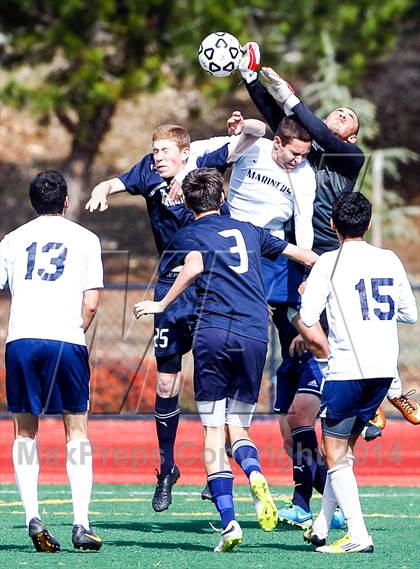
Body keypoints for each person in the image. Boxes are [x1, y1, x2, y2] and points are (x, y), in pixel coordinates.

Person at [134, 168, 318, 552]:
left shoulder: (187, 235)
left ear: (187, 203)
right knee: (240, 427)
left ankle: (230, 522)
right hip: (254, 335)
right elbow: (304, 255)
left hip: (214, 333)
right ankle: (253, 471)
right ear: (222, 199)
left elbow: (195, 267)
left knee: (213, 433)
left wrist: (161, 303)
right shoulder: (249, 229)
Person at [85, 121, 264, 512]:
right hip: (169, 284)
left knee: (210, 378)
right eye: (155, 151)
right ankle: (167, 469)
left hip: (210, 286)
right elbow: (115, 183)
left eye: (166, 151)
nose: (158, 157)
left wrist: (243, 121)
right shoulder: (149, 172)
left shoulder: (204, 165)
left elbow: (256, 132)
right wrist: (101, 189)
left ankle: (216, 467)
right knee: (166, 383)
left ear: (185, 152)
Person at [239, 43, 420, 427]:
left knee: (351, 322)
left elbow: (312, 123)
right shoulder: (304, 150)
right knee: (297, 323)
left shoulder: (350, 158)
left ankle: (389, 393)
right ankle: (319, 397)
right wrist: (248, 75)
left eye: (348, 116)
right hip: (298, 251)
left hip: (336, 251)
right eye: (337, 110)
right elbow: (277, 118)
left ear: (351, 137)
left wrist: (289, 94)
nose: (340, 113)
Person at [190, 112, 342, 528]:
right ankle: (301, 498)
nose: (297, 162)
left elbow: (306, 232)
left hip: (273, 262)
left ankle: (351, 394)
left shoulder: (307, 174)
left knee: (306, 405)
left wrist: (306, 283)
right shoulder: (251, 149)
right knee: (286, 414)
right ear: (278, 142)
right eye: (293, 153)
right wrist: (240, 125)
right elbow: (213, 148)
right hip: (234, 262)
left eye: (303, 156)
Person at [299, 192, 417, 553]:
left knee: (332, 453)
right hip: (383, 370)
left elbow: (306, 318)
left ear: (332, 225)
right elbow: (409, 313)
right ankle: (321, 525)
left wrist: (309, 292)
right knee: (344, 451)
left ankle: (358, 534)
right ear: (368, 224)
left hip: (348, 369)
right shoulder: (389, 258)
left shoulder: (328, 263)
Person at [0, 170, 103, 552]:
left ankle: (33, 517)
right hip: (67, 341)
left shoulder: (11, 240)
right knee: (76, 432)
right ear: (65, 202)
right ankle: (82, 523)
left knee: (24, 433)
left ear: (32, 203)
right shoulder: (86, 239)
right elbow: (91, 302)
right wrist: (76, 330)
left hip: (22, 340)